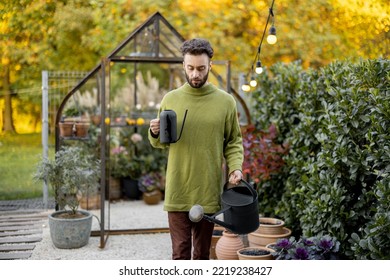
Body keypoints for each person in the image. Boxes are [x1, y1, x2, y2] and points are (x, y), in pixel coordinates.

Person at [148, 38, 243, 260]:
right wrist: (154, 132)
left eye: (201, 68)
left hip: (207, 191)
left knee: (201, 255)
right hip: (178, 189)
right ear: (183, 65)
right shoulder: (170, 99)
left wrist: (235, 167)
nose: (195, 74)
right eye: (190, 68)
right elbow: (161, 142)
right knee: (180, 254)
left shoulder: (225, 102)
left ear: (210, 65)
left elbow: (233, 141)